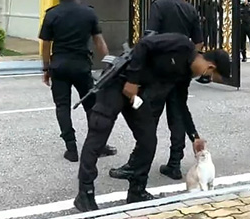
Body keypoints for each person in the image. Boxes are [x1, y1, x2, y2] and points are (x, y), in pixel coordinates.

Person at [74, 32, 231, 212]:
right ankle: (85, 194)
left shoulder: (184, 75)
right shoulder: (181, 44)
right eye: (209, 76)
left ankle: (137, 190)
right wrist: (132, 80)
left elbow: (180, 105)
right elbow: (144, 45)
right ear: (210, 66)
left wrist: (194, 136)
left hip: (137, 96)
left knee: (148, 139)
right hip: (118, 83)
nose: (205, 78)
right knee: (98, 133)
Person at [110, 0, 203, 181]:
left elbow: (150, 38)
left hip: (159, 73)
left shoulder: (158, 6)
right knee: (177, 115)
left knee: (148, 117)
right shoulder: (190, 9)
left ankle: (137, 162)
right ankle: (174, 164)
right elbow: (198, 42)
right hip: (181, 73)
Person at [39, 0, 117, 162]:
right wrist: (108, 64)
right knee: (92, 105)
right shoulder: (87, 12)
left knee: (62, 106)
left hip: (59, 66)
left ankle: (71, 148)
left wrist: (46, 68)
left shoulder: (52, 14)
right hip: (82, 66)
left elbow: (46, 45)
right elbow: (99, 41)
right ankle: (98, 145)